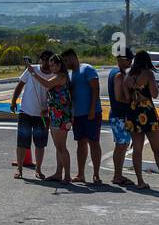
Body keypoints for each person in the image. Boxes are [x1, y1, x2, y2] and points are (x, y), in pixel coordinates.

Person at [124, 51, 159, 191]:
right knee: (157, 150)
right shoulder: (148, 74)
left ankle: (140, 181)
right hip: (147, 112)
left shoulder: (128, 76)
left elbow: (127, 98)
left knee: (137, 150)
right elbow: (155, 94)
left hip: (133, 113)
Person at [27, 54, 73, 184]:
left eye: (54, 64)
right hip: (55, 114)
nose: (51, 67)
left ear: (60, 65)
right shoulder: (58, 76)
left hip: (61, 116)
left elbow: (46, 83)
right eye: (50, 64)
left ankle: (67, 175)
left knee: (61, 147)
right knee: (59, 147)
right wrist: (47, 110)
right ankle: (59, 173)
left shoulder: (61, 76)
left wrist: (34, 73)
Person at [9, 49, 50, 180]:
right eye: (44, 60)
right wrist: (14, 100)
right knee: (22, 142)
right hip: (25, 112)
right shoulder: (32, 69)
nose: (46, 64)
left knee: (40, 144)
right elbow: (20, 85)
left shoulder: (54, 74)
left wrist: (48, 109)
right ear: (41, 60)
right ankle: (19, 169)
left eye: (49, 61)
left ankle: (38, 170)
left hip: (42, 116)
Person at [64, 49, 103, 184]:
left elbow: (95, 89)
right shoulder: (71, 75)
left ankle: (96, 174)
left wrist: (92, 109)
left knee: (94, 143)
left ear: (72, 57)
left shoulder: (87, 69)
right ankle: (81, 174)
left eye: (66, 60)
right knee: (81, 143)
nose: (66, 63)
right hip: (78, 115)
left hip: (91, 113)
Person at [106, 52, 134, 186]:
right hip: (119, 115)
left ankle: (118, 174)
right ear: (121, 59)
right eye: (128, 59)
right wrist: (130, 100)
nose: (130, 62)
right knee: (121, 145)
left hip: (118, 115)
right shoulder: (118, 75)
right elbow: (118, 97)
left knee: (122, 145)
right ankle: (117, 175)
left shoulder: (115, 72)